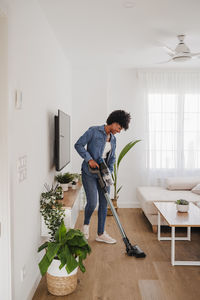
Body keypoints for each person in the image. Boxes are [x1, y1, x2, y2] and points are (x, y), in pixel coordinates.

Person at [74, 110, 131, 243]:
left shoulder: (113, 139)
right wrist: (89, 159)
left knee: (104, 203)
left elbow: (112, 157)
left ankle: (101, 233)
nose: (119, 130)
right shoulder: (93, 131)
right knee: (93, 202)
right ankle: (86, 227)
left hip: (103, 173)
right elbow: (78, 145)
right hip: (89, 172)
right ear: (114, 122)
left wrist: (109, 172)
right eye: (119, 127)